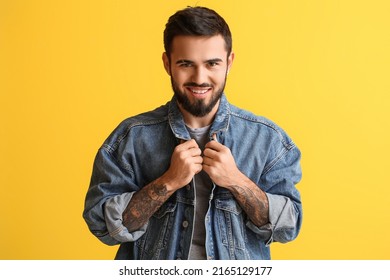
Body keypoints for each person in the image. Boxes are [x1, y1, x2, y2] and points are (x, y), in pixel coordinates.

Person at [83, 6, 302, 260]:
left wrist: (235, 180)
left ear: (229, 63)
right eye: (186, 64)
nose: (200, 78)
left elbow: (289, 226)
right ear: (168, 63)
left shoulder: (267, 140)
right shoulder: (130, 138)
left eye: (212, 64)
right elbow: (100, 225)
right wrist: (168, 181)